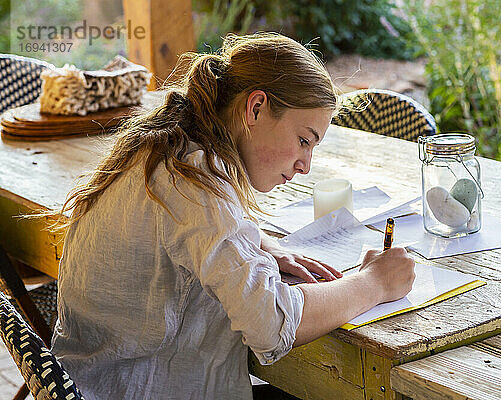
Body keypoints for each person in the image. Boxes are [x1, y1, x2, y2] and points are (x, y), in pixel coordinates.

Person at [50, 32, 415, 399]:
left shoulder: (168, 146)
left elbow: (204, 230)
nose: (305, 165)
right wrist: (374, 283)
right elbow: (270, 325)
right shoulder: (195, 184)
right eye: (304, 140)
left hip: (95, 380)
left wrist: (261, 244)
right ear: (255, 108)